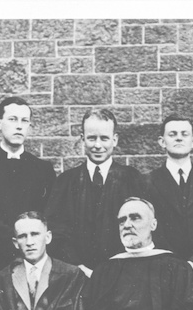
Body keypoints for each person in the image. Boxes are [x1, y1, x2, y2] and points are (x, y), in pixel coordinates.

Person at [44, 109, 145, 272]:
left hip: (123, 272)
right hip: (76, 274)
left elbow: (142, 228)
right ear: (83, 139)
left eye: (104, 138)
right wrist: (78, 266)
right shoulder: (66, 181)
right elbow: (55, 231)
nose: (98, 145)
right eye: (92, 138)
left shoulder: (131, 179)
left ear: (115, 140)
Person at [0, 96, 56, 268]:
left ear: (29, 126)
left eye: (24, 121)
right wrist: (13, 241)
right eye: (13, 119)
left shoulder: (43, 169)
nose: (19, 126)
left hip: (34, 258)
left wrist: (29, 243)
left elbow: (50, 213)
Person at [143, 115, 193, 264]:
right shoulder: (147, 182)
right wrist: (172, 263)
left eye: (184, 134)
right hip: (163, 265)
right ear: (162, 142)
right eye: (172, 134)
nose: (179, 138)